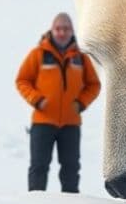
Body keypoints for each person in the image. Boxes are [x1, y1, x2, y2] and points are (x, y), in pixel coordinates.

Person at [15, 12, 101, 193]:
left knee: (70, 169)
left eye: (66, 29)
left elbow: (94, 85)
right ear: (52, 30)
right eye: (58, 28)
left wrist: (81, 103)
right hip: (42, 122)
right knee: (39, 167)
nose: (62, 32)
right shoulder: (38, 54)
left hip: (71, 124)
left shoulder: (81, 57)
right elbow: (22, 80)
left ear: (72, 31)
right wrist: (36, 99)